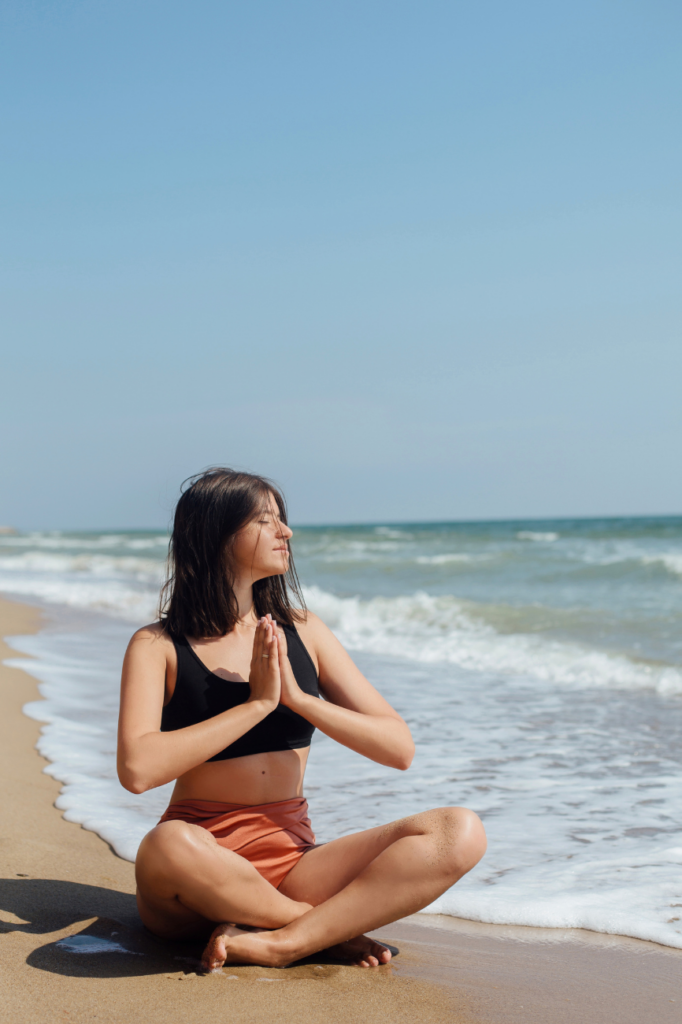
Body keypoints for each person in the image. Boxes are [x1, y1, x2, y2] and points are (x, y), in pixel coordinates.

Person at [117, 468, 486, 970]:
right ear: (215, 533)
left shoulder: (304, 631)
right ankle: (318, 929)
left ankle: (282, 941)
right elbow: (137, 770)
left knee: (459, 832)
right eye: (267, 521)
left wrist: (299, 699)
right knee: (164, 844)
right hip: (197, 865)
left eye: (282, 520)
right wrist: (257, 706)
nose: (285, 532)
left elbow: (398, 748)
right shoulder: (158, 645)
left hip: (293, 860)